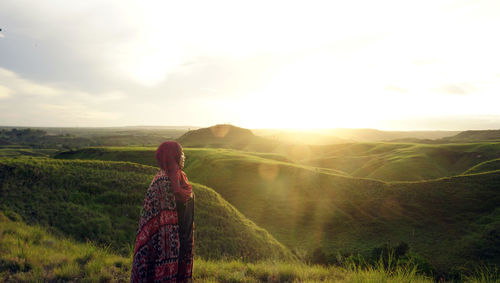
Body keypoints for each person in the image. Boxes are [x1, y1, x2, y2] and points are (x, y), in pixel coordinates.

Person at [131, 141, 194, 282]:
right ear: (174, 157)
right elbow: (157, 218)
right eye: (181, 153)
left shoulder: (181, 178)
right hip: (163, 245)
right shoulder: (162, 182)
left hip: (182, 240)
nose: (183, 156)